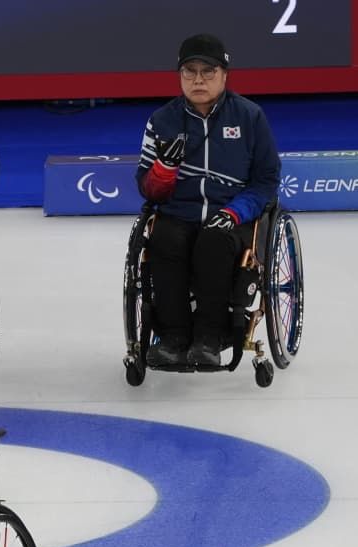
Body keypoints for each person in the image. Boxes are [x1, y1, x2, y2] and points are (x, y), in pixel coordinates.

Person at [135, 33, 280, 368]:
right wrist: (164, 169)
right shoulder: (162, 120)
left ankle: (209, 337)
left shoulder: (249, 117)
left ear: (224, 75)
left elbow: (266, 181)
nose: (198, 79)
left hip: (231, 215)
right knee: (164, 239)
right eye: (190, 72)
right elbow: (148, 188)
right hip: (179, 211)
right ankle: (173, 337)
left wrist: (233, 212)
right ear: (179, 75)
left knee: (213, 242)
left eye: (208, 72)